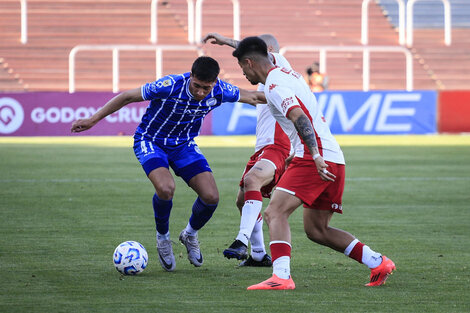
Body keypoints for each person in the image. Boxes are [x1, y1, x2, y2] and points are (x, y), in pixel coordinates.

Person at [70, 56, 266, 272]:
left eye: (206, 88)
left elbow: (255, 97)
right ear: (190, 77)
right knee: (166, 188)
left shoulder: (221, 90)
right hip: (151, 141)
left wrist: (291, 101)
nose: (201, 92)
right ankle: (163, 238)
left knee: (211, 197)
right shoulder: (170, 85)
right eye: (197, 86)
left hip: (183, 145)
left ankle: (189, 234)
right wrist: (92, 120)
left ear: (214, 83)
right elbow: (127, 97)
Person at [232, 37, 396, 290]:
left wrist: (313, 154)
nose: (243, 74)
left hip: (316, 157)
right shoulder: (288, 72)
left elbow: (299, 117)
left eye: (242, 68)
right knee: (317, 230)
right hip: (334, 157)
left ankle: (281, 277)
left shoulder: (275, 85)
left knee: (275, 213)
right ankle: (377, 261)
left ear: (249, 62)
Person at [202, 32, 292, 267]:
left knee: (253, 180)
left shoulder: (279, 65)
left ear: (268, 52)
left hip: (277, 145)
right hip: (263, 147)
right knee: (242, 201)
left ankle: (241, 240)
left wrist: (225, 41)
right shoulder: (270, 82)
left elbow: (255, 50)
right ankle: (259, 255)